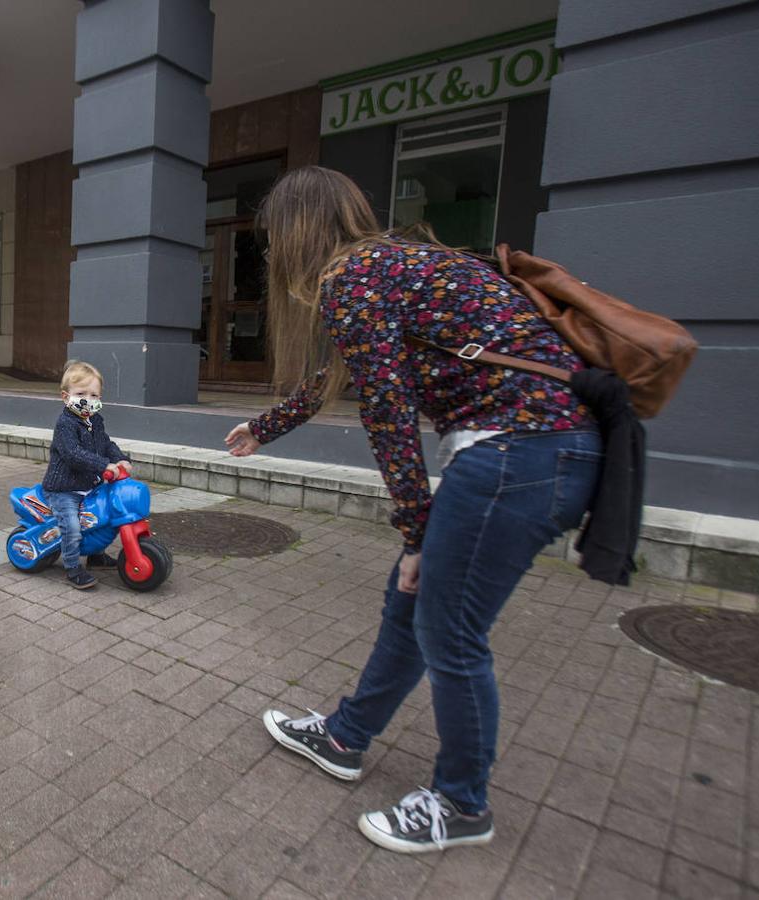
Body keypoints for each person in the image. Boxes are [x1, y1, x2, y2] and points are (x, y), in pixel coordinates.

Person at [225, 167, 601, 854]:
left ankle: (462, 804)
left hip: (517, 455)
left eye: (274, 238)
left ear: (299, 231)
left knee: (451, 634)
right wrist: (267, 427)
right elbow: (345, 372)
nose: (274, 255)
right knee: (415, 610)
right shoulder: (393, 264)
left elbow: (388, 410)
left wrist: (416, 532)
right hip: (539, 451)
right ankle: (344, 737)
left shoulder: (352, 280)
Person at [42, 360, 132, 590]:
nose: (88, 400)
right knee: (72, 527)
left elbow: (105, 443)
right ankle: (72, 568)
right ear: (66, 397)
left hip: (88, 484)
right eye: (81, 394)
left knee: (99, 518)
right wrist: (103, 465)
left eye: (94, 395)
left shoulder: (95, 420)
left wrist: (120, 459)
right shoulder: (65, 424)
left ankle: (96, 555)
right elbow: (73, 454)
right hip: (64, 489)